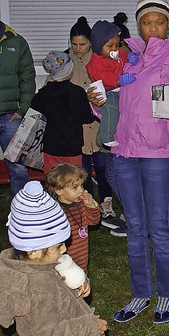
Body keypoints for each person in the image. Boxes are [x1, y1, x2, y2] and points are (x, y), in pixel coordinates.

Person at [89, 0, 169, 324]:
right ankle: (140, 292)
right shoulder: (124, 55)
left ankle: (167, 292)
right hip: (124, 153)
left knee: (158, 225)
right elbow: (109, 107)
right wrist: (96, 100)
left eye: (159, 21)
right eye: (146, 21)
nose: (153, 28)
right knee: (135, 226)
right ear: (138, 25)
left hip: (159, 154)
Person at [0, 181, 127, 336]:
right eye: (58, 246)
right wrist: (90, 326)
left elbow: (56, 302)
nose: (64, 249)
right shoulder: (36, 286)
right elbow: (47, 335)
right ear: (34, 251)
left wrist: (76, 288)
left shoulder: (36, 267)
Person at [68, 17, 126, 236]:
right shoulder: (67, 61)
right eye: (74, 44)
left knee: (104, 169)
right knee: (81, 172)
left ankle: (106, 204)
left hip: (99, 124)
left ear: (91, 43)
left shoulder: (103, 56)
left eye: (82, 44)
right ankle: (86, 208)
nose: (78, 48)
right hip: (79, 128)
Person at [0, 0, 34, 236]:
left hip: (11, 117)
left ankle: (23, 214)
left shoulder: (15, 41)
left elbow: (28, 76)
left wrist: (23, 108)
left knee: (18, 169)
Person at [32, 51, 93, 173]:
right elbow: (87, 118)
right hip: (72, 147)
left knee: (53, 180)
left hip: (50, 147)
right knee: (73, 180)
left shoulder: (41, 95)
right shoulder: (77, 92)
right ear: (69, 69)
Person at [87, 19, 138, 148]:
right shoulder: (97, 62)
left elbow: (123, 55)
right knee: (111, 111)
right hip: (107, 92)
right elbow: (105, 79)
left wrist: (130, 57)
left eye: (117, 45)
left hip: (118, 91)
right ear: (99, 45)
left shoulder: (115, 52)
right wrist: (120, 81)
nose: (115, 49)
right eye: (110, 46)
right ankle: (107, 137)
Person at [45, 163, 100, 274]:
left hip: (82, 256)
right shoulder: (56, 212)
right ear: (59, 190)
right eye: (75, 187)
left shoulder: (81, 204)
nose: (80, 190)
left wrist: (91, 206)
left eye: (81, 186)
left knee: (81, 279)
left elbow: (94, 221)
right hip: (64, 260)